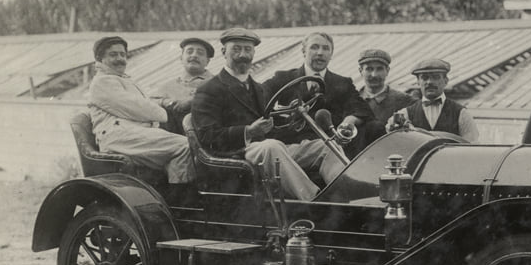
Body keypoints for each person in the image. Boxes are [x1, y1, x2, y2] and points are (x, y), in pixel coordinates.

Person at [191, 28, 320, 201]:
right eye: (236, 49)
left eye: (248, 49)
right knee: (271, 146)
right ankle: (315, 201)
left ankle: (346, 195)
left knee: (323, 146)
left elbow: (270, 123)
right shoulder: (208, 90)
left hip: (267, 150)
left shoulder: (259, 88)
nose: (243, 54)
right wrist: (248, 131)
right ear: (224, 52)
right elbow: (207, 136)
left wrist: (292, 117)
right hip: (236, 153)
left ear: (253, 52)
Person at [87, 35, 193, 183]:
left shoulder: (121, 79)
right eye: (113, 54)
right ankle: (181, 198)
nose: (119, 58)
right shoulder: (103, 82)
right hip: (118, 137)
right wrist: (167, 110)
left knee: (184, 146)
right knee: (185, 146)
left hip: (129, 134)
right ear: (100, 59)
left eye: (122, 54)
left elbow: (144, 104)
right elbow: (139, 108)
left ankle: (175, 194)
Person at [262, 31, 373, 169]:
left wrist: (347, 123)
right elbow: (259, 99)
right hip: (290, 149)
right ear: (304, 51)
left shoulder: (342, 83)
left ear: (331, 55)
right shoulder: (283, 78)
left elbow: (361, 109)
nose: (320, 53)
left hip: (330, 149)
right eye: (314, 47)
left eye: (326, 48)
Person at [390, 59, 478, 142]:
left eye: (436, 77)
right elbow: (393, 136)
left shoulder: (461, 114)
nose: (429, 82)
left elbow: (471, 147)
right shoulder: (406, 114)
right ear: (418, 82)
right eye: (424, 78)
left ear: (446, 81)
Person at [154, 36, 215, 135]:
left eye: (200, 53)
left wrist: (192, 101)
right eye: (189, 51)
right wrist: (166, 102)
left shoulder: (217, 82)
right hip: (172, 141)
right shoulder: (168, 86)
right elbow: (149, 102)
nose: (194, 55)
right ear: (181, 58)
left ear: (207, 61)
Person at [357, 48, 415, 145]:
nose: (374, 75)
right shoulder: (350, 100)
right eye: (369, 69)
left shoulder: (405, 101)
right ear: (360, 71)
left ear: (387, 71)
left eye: (379, 69)